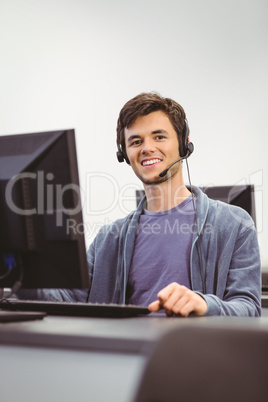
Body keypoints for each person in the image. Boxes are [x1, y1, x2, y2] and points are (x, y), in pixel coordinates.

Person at [19, 92, 261, 316]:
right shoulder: (109, 238)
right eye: (135, 141)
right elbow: (67, 299)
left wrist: (204, 304)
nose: (147, 148)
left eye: (159, 136)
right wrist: (18, 271)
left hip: (195, 354)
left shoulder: (234, 223)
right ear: (123, 154)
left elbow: (249, 308)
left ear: (184, 144)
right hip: (127, 354)